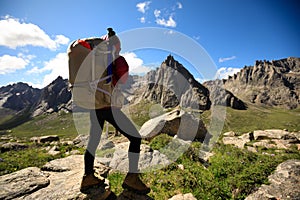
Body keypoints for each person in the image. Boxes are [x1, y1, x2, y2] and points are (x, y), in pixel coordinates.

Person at [80, 28, 150, 195]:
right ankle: (132, 178)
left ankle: (88, 176)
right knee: (135, 138)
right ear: (117, 46)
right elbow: (124, 79)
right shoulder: (117, 60)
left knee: (93, 141)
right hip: (109, 107)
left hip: (94, 105)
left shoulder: (94, 59)